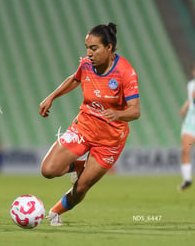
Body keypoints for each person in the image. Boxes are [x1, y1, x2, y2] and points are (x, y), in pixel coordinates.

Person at [39, 23, 140, 226]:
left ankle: (54, 212)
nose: (89, 53)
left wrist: (118, 113)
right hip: (84, 127)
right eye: (87, 48)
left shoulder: (125, 73)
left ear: (109, 48)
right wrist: (52, 96)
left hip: (110, 140)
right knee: (48, 170)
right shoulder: (86, 64)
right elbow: (75, 79)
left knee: (82, 188)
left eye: (94, 48)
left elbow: (135, 111)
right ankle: (81, 166)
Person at [178, 65, 195, 191]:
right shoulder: (190, 85)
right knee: (185, 150)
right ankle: (187, 179)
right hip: (191, 123)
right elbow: (191, 99)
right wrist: (185, 107)